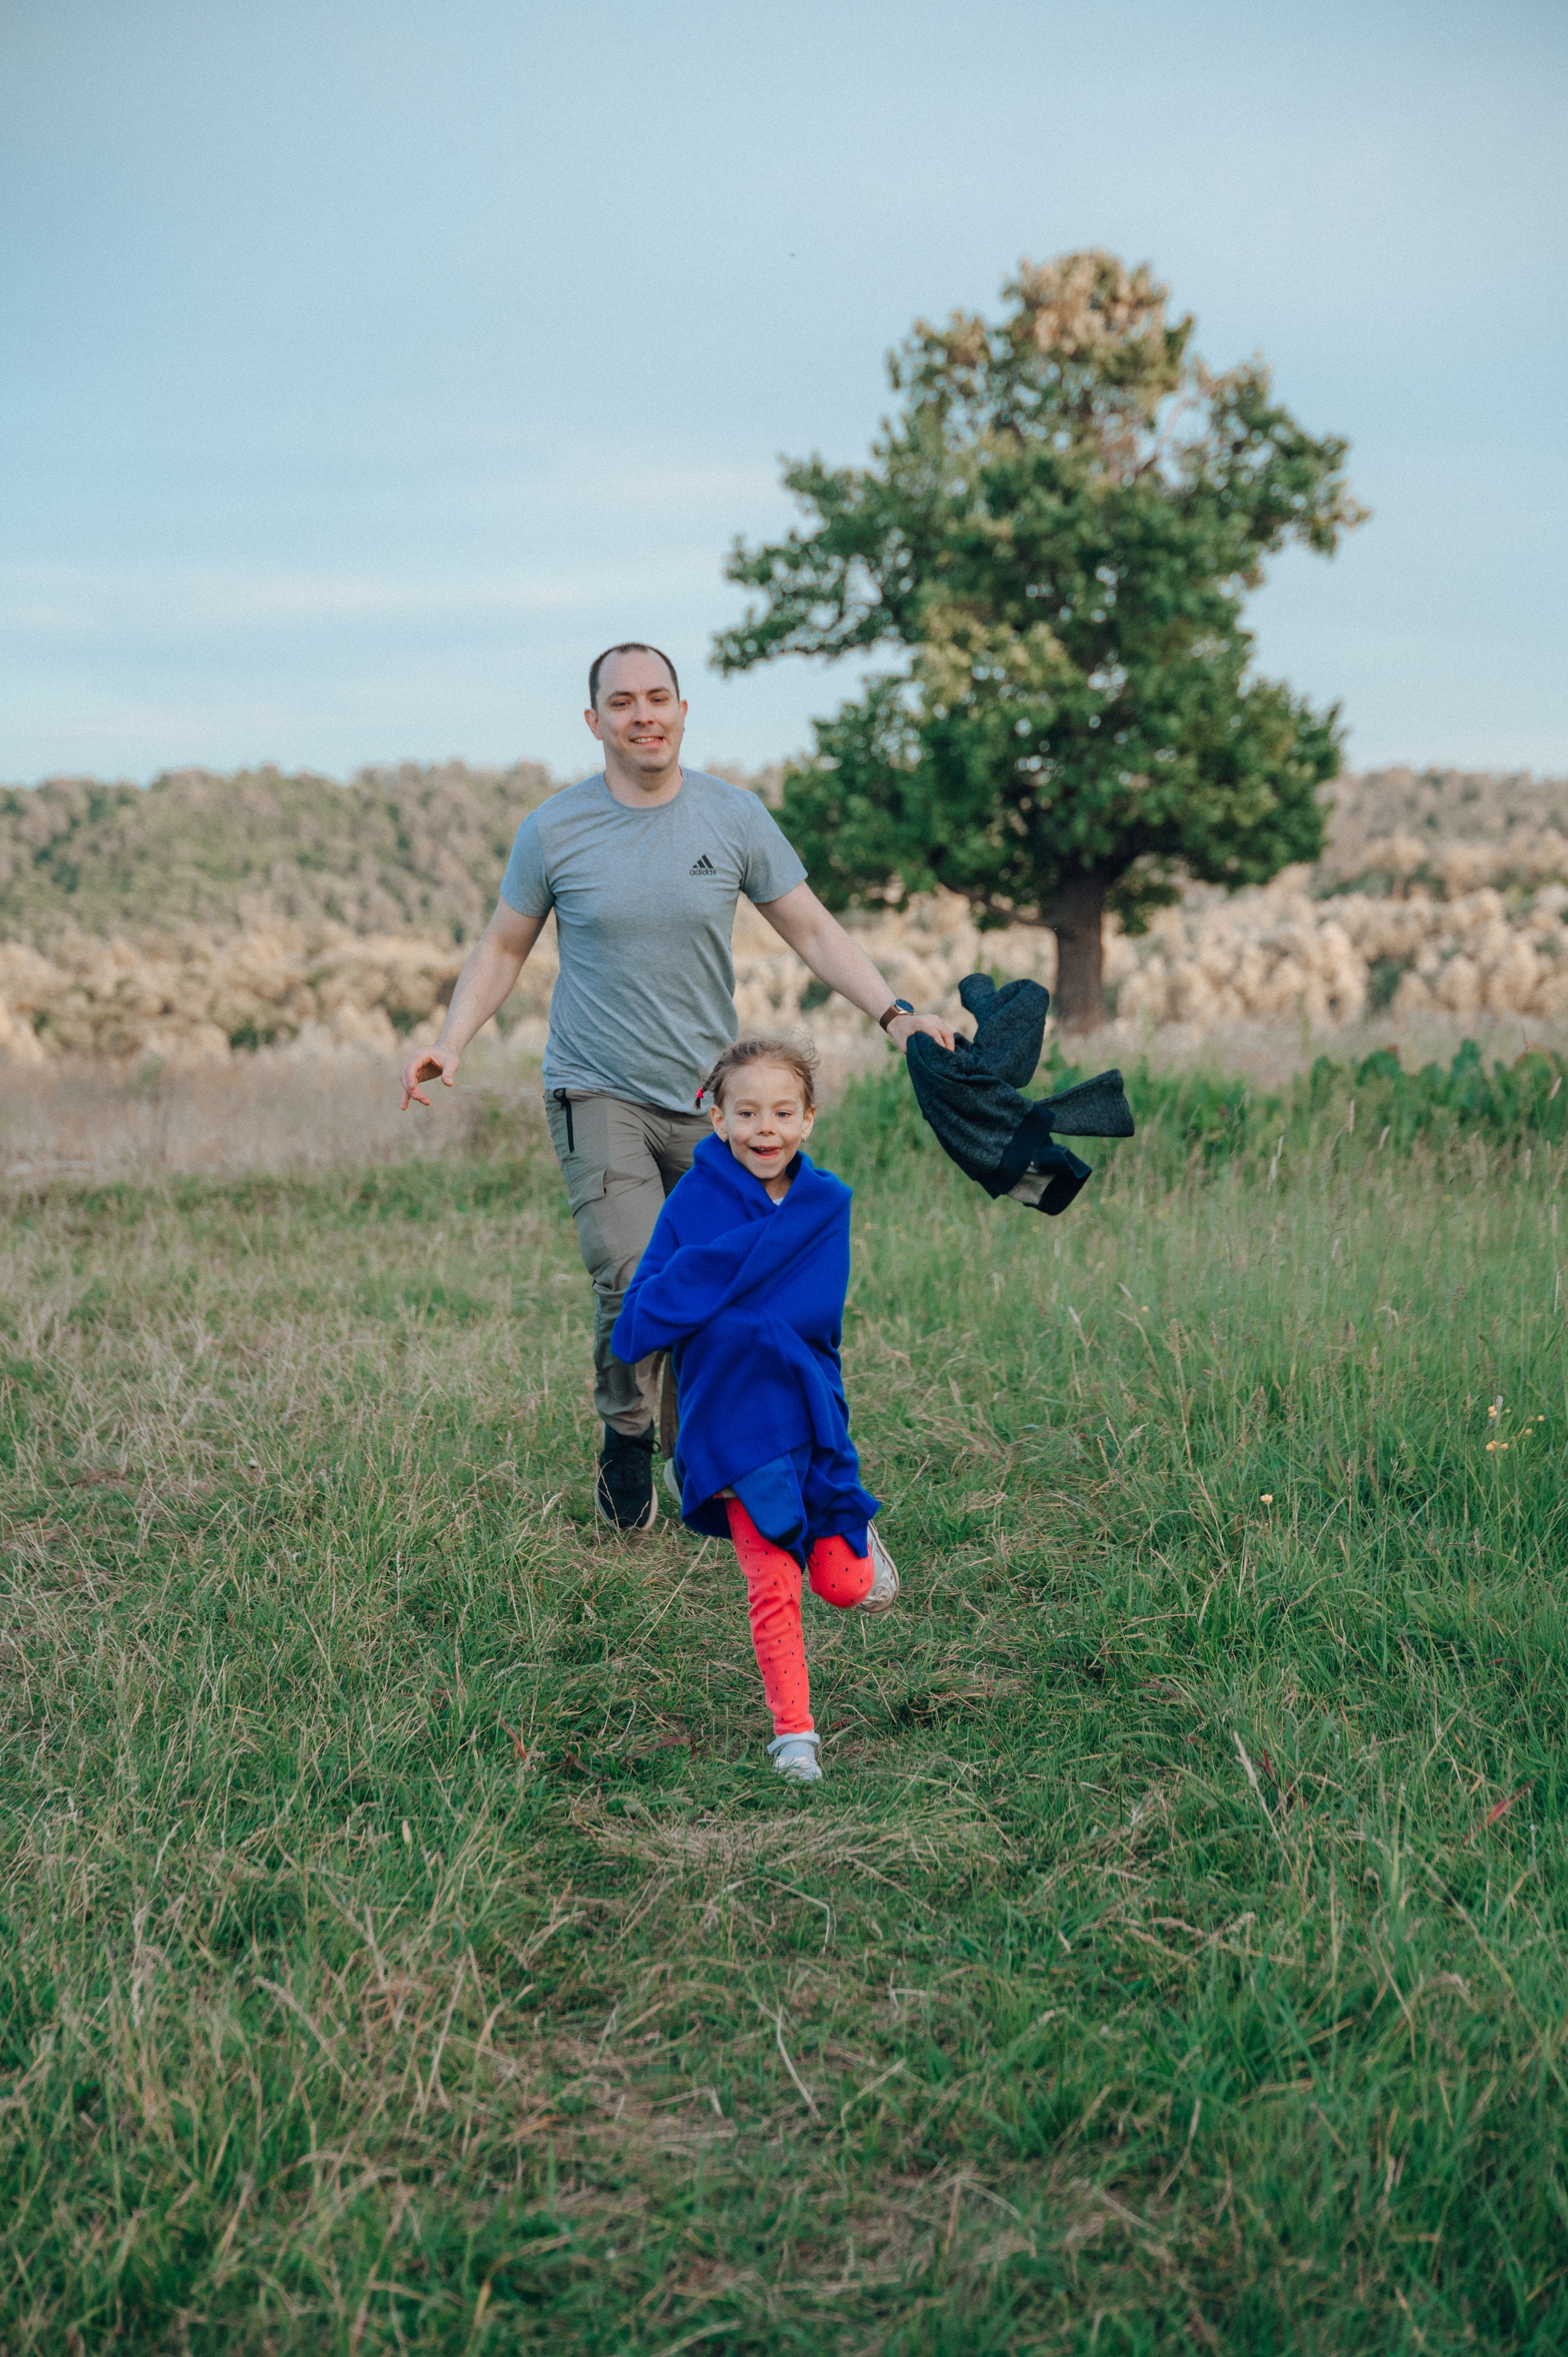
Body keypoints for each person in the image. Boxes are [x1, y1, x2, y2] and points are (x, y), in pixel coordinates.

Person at [399, 641, 954, 1529]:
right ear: (595, 723)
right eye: (623, 703)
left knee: (717, 1286)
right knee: (632, 1277)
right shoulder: (554, 830)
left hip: (711, 1106)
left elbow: (812, 931)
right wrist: (451, 1040)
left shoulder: (732, 818)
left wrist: (897, 1014)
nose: (644, 714)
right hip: (595, 1089)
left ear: (684, 711)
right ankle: (626, 1436)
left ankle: (698, 1445)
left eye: (659, 697)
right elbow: (505, 946)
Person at [610, 1035, 894, 1784]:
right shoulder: (694, 1202)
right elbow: (639, 1316)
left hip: (807, 1416)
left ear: (808, 1120)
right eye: (746, 1112)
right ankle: (794, 1735)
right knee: (771, 1584)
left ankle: (857, 1534)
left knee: (843, 1585)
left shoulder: (824, 1204)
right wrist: (724, 1286)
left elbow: (815, 1313)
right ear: (718, 1120)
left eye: (781, 1112)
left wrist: (725, 1301)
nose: (763, 1128)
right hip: (731, 1423)